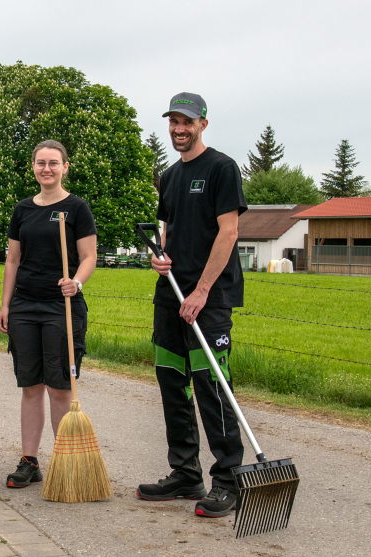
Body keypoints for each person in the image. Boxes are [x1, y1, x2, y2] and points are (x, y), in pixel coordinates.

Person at [136, 93, 247, 518]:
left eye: (187, 121)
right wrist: (159, 256)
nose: (179, 128)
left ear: (203, 123)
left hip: (208, 298)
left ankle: (227, 479)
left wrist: (201, 291)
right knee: (171, 380)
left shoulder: (221, 168)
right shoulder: (169, 175)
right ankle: (185, 472)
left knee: (211, 385)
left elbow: (228, 232)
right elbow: (168, 228)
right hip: (170, 295)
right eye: (173, 122)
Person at [0, 140, 97, 488]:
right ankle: (29, 461)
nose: (47, 169)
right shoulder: (23, 209)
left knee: (59, 387)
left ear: (65, 167)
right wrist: (6, 304)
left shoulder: (77, 208)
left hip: (61, 306)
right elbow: (12, 260)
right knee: (30, 386)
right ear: (34, 167)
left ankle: (64, 461)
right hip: (24, 305)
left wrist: (77, 283)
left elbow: (89, 257)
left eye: (54, 163)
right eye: (41, 163)